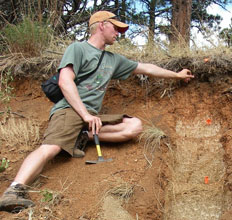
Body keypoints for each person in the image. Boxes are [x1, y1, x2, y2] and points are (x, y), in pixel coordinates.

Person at [0, 10, 194, 212]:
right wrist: (84, 114)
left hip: (91, 116)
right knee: (51, 148)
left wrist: (177, 75)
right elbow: (65, 81)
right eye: (115, 27)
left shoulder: (113, 59)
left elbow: (147, 68)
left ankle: (83, 136)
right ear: (101, 25)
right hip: (70, 110)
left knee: (134, 126)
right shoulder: (78, 49)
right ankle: (14, 190)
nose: (119, 32)